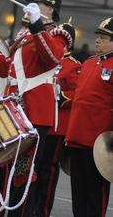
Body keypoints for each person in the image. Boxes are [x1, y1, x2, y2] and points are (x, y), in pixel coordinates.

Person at [0, 0, 71, 217]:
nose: (29, 6)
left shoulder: (58, 35)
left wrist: (37, 26)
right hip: (12, 107)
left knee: (23, 172)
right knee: (2, 165)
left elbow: (51, 58)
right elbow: (5, 68)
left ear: (50, 7)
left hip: (35, 111)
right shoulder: (26, 37)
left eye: (37, 2)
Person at [65, 17, 113, 217]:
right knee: (79, 195)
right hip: (77, 138)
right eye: (98, 37)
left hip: (100, 144)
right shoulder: (88, 63)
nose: (98, 41)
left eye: (104, 37)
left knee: (95, 197)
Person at [33, 21, 80, 217]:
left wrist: (59, 95)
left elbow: (77, 92)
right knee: (34, 171)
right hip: (41, 122)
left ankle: (42, 212)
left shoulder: (73, 65)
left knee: (48, 173)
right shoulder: (47, 59)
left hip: (57, 127)